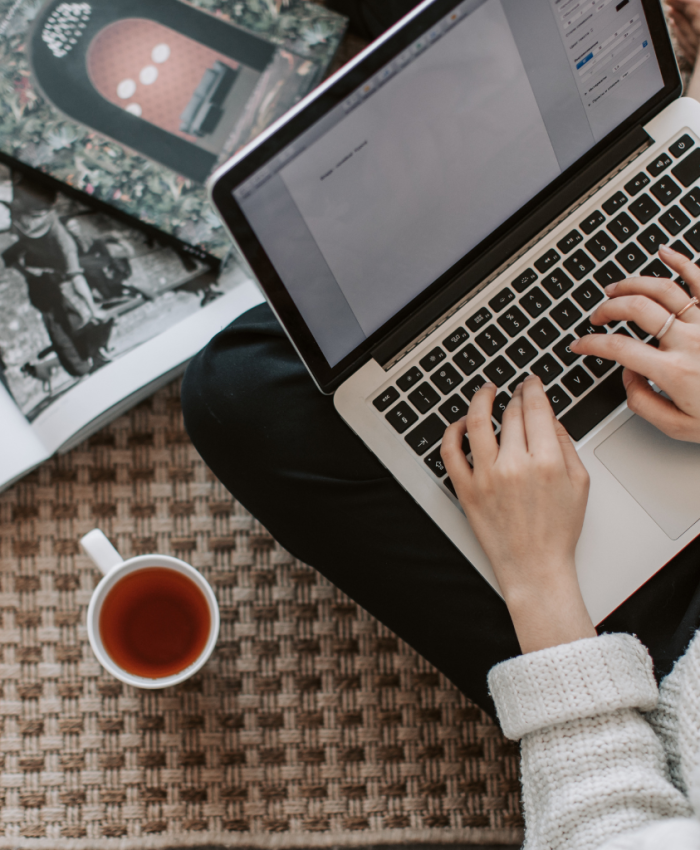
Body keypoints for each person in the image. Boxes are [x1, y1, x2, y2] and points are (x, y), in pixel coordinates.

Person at [1, 177, 112, 378]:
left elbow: (76, 276)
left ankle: (88, 359)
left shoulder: (58, 238)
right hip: (42, 280)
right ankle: (83, 364)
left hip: (52, 278)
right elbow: (76, 278)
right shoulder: (30, 216)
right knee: (59, 323)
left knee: (69, 321)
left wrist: (91, 308)